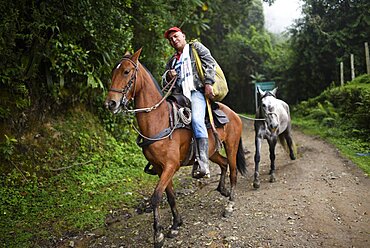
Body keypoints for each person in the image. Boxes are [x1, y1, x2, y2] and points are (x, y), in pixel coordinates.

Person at [164, 26, 217, 179]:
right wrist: (169, 75)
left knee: (196, 120)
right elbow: (164, 81)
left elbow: (209, 62)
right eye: (171, 39)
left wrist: (208, 83)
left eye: (176, 36)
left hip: (196, 92)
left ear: (183, 36)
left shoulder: (195, 48)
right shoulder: (172, 61)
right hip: (178, 96)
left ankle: (203, 162)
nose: (174, 40)